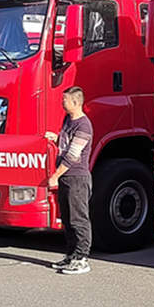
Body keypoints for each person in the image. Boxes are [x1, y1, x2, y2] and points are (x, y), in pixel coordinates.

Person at [45, 86, 94, 275]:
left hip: (77, 178)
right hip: (66, 177)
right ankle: (71, 255)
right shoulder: (68, 120)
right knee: (66, 218)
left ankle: (82, 258)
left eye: (64, 100)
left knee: (78, 219)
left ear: (75, 102)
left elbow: (73, 155)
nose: (61, 103)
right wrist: (56, 138)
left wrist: (55, 175)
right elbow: (67, 144)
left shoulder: (84, 125)